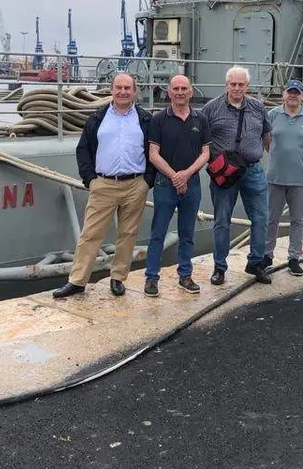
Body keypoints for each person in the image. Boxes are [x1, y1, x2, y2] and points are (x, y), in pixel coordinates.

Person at [53, 73, 155, 299]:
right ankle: (78, 281)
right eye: (118, 87)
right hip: (104, 184)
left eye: (127, 88)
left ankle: (118, 278)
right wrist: (91, 180)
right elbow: (83, 149)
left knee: (128, 234)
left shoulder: (145, 119)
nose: (123, 92)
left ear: (134, 92)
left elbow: (153, 151)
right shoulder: (98, 118)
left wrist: (147, 181)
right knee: (91, 234)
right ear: (111, 90)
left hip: (135, 184)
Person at [201, 66, 273, 286]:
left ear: (247, 86)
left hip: (252, 170)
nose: (237, 88)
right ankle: (219, 267)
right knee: (222, 221)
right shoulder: (211, 109)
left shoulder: (258, 108)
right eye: (233, 84)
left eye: (241, 84)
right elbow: (202, 139)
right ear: (226, 85)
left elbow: (266, 134)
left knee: (261, 218)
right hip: (225, 173)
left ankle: (256, 262)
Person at [144, 74, 211, 297]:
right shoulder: (159, 119)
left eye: (184, 88)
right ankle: (151, 278)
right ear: (169, 92)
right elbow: (153, 154)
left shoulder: (200, 120)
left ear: (191, 92)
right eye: (176, 89)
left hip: (191, 184)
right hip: (166, 183)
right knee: (158, 233)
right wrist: (175, 176)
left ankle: (185, 275)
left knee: (187, 232)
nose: (180, 93)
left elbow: (205, 153)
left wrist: (186, 175)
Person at [263, 79, 303, 276]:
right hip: (276, 177)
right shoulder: (272, 115)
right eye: (290, 91)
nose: (293, 95)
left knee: (298, 220)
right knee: (271, 218)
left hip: (300, 178)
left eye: (297, 92)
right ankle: (266, 255)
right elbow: (266, 142)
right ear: (284, 94)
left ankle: (294, 258)